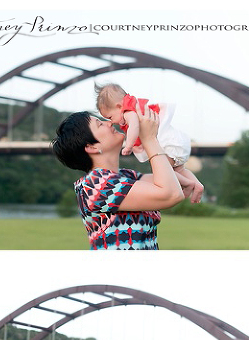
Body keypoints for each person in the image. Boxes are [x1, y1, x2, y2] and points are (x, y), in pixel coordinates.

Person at [51, 102, 186, 250]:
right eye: (99, 124)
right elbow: (171, 193)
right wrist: (149, 139)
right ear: (92, 147)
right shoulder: (95, 185)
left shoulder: (125, 176)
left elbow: (173, 179)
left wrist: (155, 133)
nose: (109, 123)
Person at [95, 83, 204, 204]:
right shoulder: (133, 107)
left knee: (165, 170)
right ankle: (197, 185)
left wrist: (129, 145)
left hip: (166, 143)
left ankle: (188, 184)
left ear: (119, 106)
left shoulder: (128, 112)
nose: (112, 122)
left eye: (110, 117)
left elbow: (134, 127)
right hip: (174, 143)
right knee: (178, 169)